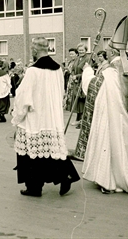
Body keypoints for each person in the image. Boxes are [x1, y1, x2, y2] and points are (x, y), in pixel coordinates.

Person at [77, 46, 128, 195]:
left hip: (113, 119)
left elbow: (92, 87)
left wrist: (87, 71)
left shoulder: (109, 72)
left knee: (112, 143)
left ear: (112, 53)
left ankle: (111, 179)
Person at [12, 37, 80, 197]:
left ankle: (34, 188)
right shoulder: (57, 69)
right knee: (51, 150)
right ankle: (66, 176)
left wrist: (17, 116)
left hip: (35, 116)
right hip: (51, 115)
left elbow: (23, 96)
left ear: (35, 50)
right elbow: (61, 92)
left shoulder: (33, 70)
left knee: (31, 153)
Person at [68, 43, 89, 129]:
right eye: (79, 50)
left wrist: (77, 76)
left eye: (82, 50)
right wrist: (73, 76)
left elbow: (87, 71)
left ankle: (83, 122)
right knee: (78, 102)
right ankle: (78, 119)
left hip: (83, 82)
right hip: (76, 83)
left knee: (82, 102)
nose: (81, 51)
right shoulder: (77, 59)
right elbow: (73, 69)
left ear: (85, 50)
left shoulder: (88, 59)